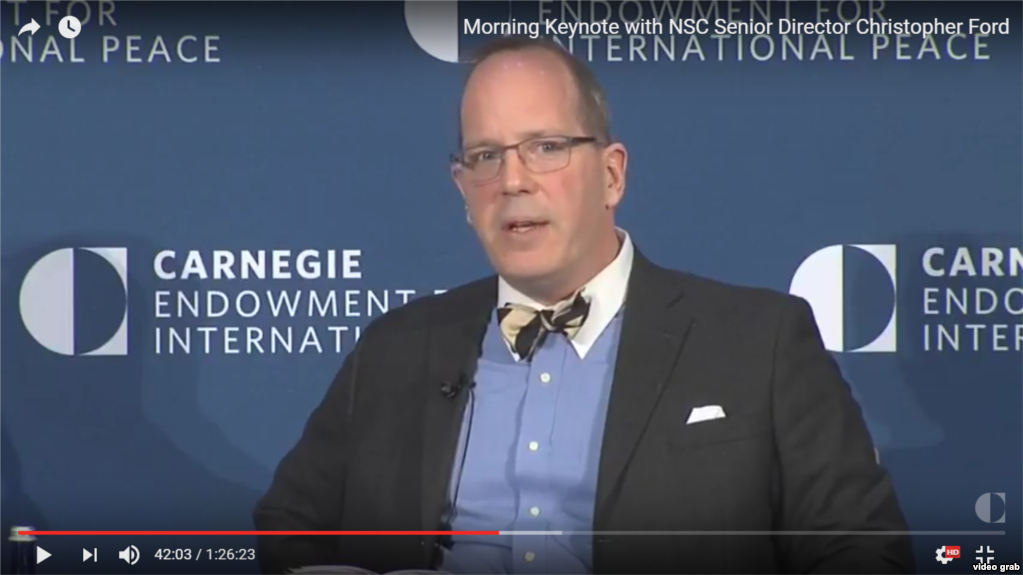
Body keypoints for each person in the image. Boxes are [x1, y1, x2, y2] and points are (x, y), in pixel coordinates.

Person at [253, 36, 914, 575]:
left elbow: (862, 550)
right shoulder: (396, 348)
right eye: (486, 156)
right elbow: (287, 527)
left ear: (611, 174)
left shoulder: (758, 342)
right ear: (462, 189)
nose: (512, 180)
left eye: (546, 147)